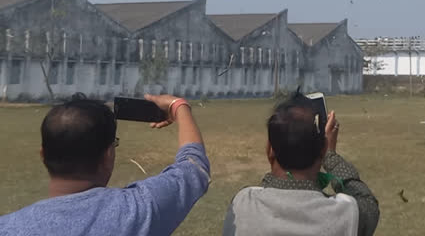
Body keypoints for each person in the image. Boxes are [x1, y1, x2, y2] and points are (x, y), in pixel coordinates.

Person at [0, 93, 210, 236]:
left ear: (43, 155)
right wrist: (178, 106)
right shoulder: (136, 212)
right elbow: (193, 167)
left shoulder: (9, 228)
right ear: (108, 155)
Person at [223, 92, 379, 236]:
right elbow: (367, 202)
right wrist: (331, 155)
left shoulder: (242, 203)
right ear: (322, 149)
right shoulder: (347, 215)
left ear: (270, 149)